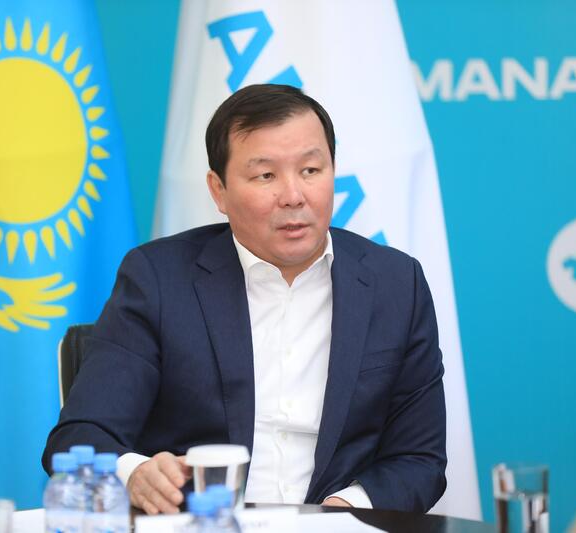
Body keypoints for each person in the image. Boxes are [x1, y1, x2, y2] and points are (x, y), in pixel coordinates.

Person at [43, 84, 446, 515]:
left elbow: (419, 460)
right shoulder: (159, 280)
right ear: (218, 190)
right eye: (265, 176)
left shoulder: (395, 284)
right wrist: (137, 473)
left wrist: (343, 511)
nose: (294, 196)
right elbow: (80, 436)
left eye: (311, 170)